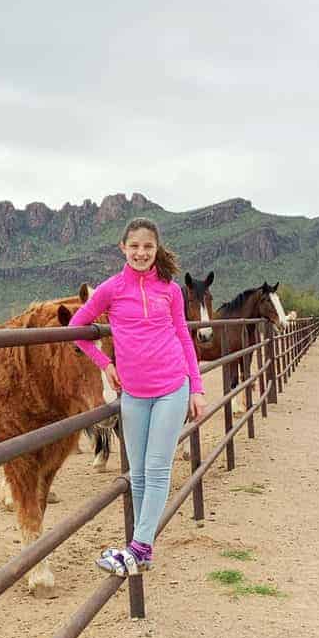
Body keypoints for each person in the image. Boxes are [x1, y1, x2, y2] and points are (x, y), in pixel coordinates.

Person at [68, 218, 204, 577]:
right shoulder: (110, 290)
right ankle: (142, 551)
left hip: (172, 387)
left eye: (148, 247)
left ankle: (138, 546)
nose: (142, 253)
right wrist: (105, 362)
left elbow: (184, 337)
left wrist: (197, 388)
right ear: (123, 249)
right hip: (134, 394)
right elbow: (77, 330)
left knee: (157, 469)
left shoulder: (171, 290)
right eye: (135, 247)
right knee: (138, 473)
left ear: (156, 249)